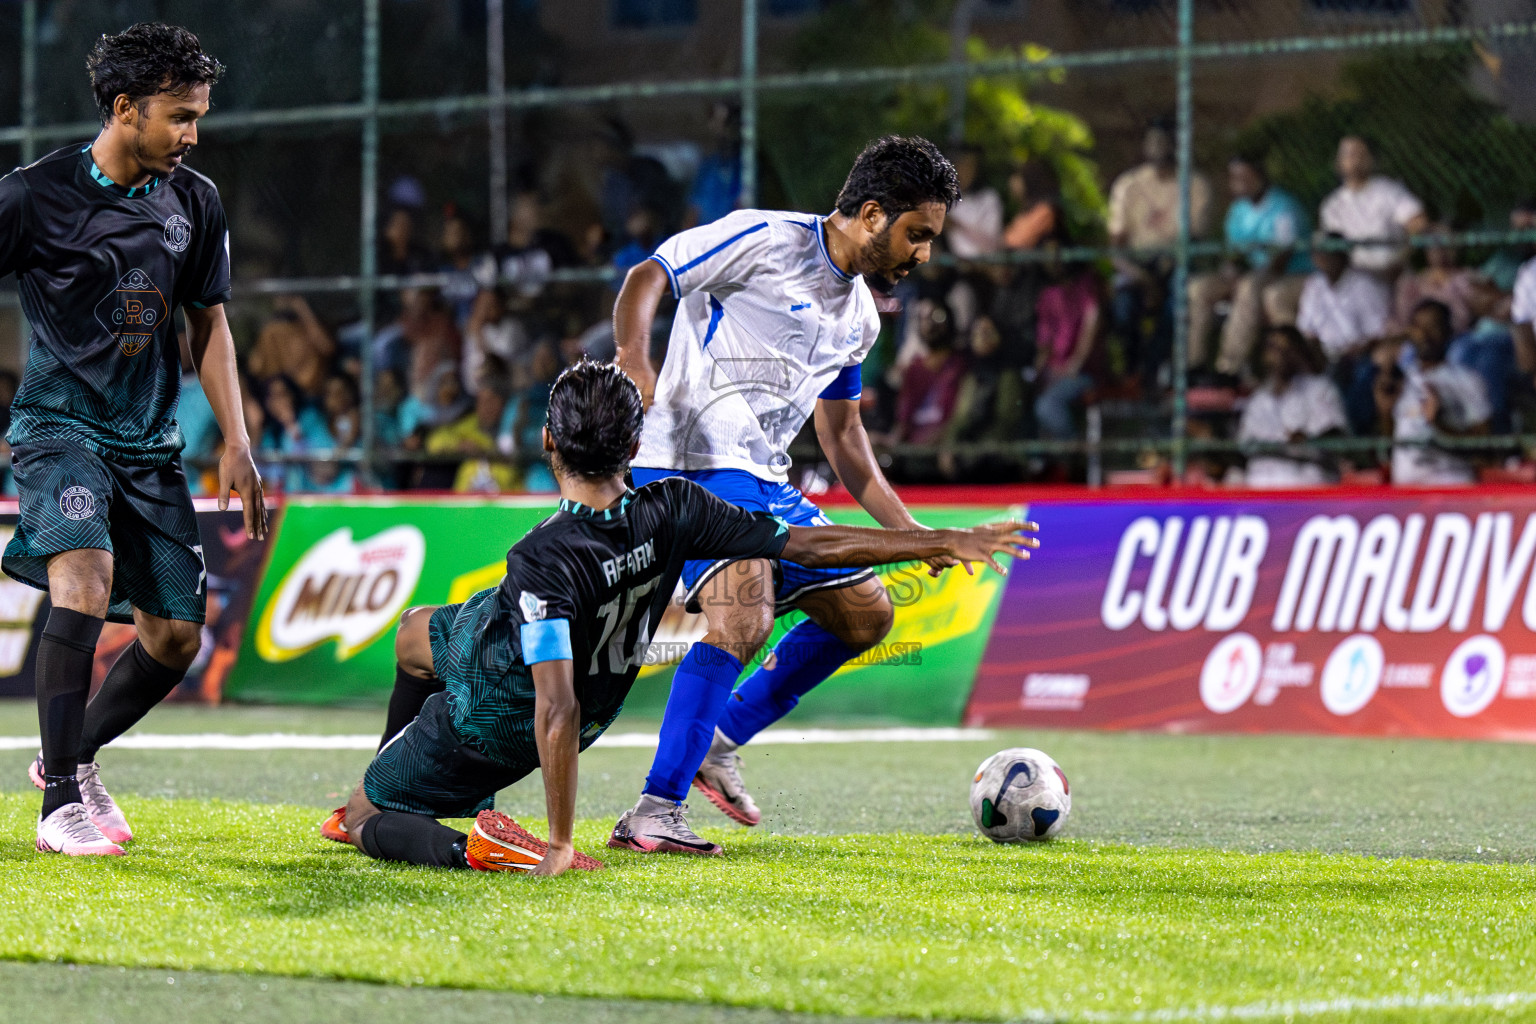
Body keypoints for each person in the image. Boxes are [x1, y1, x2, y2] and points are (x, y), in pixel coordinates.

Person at [325, 360, 1036, 874]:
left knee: (360, 821)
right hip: (506, 641)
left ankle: (469, 843)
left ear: (548, 444)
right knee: (414, 631)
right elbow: (809, 543)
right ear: (635, 447)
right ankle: (395, 767)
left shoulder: (540, 557)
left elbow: (555, 707)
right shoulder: (675, 507)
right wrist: (934, 539)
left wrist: (562, 839)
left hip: (495, 707)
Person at [608, 135, 960, 853]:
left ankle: (720, 739)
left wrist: (908, 530)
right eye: (917, 234)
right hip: (687, 460)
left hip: (763, 479)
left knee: (866, 614)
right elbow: (651, 275)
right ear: (870, 214)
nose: (923, 255)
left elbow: (844, 439)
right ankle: (654, 811)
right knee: (744, 613)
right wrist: (633, 357)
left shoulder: (859, 316)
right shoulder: (762, 239)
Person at [0, 23, 265, 856]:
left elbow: (211, 324)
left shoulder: (195, 201)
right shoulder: (32, 196)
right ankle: (58, 813)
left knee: (175, 638)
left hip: (149, 445)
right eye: (180, 116)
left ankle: (68, 761)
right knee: (84, 575)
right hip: (57, 426)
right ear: (125, 109)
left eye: (198, 117)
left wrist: (237, 438)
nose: (193, 134)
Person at [1106, 119, 1212, 391]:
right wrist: (1141, 277)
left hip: (1178, 260)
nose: (1160, 150)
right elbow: (1115, 245)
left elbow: (1193, 237)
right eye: (1154, 142)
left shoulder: (1195, 184)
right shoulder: (1128, 185)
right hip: (1138, 265)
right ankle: (1133, 370)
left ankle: (1157, 370)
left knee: (1178, 299)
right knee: (1123, 306)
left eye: (1166, 143)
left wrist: (1164, 271)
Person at [1187, 155, 1311, 379]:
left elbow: (1281, 258)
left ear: (1260, 176)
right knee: (1199, 289)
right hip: (1249, 273)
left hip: (1286, 274)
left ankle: (1229, 367)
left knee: (1248, 287)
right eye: (1235, 178)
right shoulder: (1237, 210)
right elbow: (1233, 253)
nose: (1239, 183)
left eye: (1245, 177)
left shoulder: (1283, 207)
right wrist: (1231, 268)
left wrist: (1245, 273)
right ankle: (1193, 364)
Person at [1385, 299, 1491, 486]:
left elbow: (1486, 450)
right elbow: (1385, 450)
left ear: (1448, 332)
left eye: (1433, 327)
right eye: (1419, 327)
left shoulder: (1467, 380)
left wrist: (1438, 424)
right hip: (1404, 494)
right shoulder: (1400, 381)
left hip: (1451, 488)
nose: (1425, 335)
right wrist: (1384, 412)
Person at [1236, 326, 1348, 488]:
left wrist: (1309, 441)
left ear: (1298, 352)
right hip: (1260, 492)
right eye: (1273, 348)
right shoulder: (1257, 400)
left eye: (1286, 349)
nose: (1280, 355)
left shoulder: (1320, 389)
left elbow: (1336, 435)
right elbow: (1243, 447)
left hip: (1307, 487)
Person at [1318, 136, 1427, 280]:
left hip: (1394, 274)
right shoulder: (1332, 205)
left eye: (1359, 153)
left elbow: (1419, 224)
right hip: (1352, 279)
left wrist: (1400, 260)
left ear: (1371, 160)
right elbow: (1330, 248)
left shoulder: (1389, 190)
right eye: (1348, 154)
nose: (1354, 159)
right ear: (1338, 162)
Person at [1033, 261, 1104, 441]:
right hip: (1054, 371)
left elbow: (1091, 326)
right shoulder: (1047, 294)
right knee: (1024, 402)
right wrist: (1037, 374)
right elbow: (1045, 343)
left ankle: (1074, 450)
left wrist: (1074, 365)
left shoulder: (1086, 284)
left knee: (1046, 406)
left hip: (1084, 371)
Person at [944, 146, 1003, 259]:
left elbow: (992, 242)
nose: (964, 172)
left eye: (969, 167)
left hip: (984, 265)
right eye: (961, 167)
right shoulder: (948, 199)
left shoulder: (988, 198)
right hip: (952, 268)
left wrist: (955, 225)